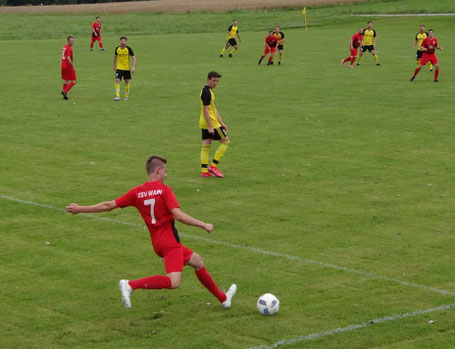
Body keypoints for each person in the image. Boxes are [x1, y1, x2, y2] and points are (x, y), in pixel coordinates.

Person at [66, 155, 237, 310]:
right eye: (165, 171)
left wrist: (81, 208)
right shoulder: (164, 190)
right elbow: (178, 216)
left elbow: (108, 206)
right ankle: (130, 285)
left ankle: (223, 299)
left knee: (198, 262)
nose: (166, 175)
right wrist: (203, 224)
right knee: (173, 282)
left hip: (158, 243)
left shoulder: (137, 192)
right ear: (157, 170)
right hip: (170, 243)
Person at [199, 71, 230, 178]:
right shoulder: (206, 93)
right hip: (211, 123)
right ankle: (213, 166)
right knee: (226, 142)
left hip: (204, 123)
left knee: (206, 146)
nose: (216, 83)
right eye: (214, 81)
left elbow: (214, 108)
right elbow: (205, 110)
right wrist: (211, 126)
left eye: (217, 81)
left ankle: (204, 171)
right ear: (208, 80)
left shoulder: (208, 91)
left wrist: (222, 122)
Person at [113, 37, 136, 101]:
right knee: (117, 80)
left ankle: (126, 96)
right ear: (120, 41)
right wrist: (114, 65)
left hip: (126, 68)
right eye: (121, 41)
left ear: (126, 42)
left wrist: (133, 67)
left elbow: (134, 58)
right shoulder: (117, 48)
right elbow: (115, 57)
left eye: (124, 41)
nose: (123, 42)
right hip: (119, 68)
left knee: (127, 82)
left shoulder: (129, 49)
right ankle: (117, 96)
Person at [61, 36, 76, 100]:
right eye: (71, 41)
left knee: (66, 80)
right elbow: (68, 58)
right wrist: (72, 66)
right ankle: (64, 91)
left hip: (63, 65)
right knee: (73, 81)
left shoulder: (64, 47)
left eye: (73, 41)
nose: (72, 42)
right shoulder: (69, 48)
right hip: (68, 66)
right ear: (67, 41)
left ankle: (65, 96)